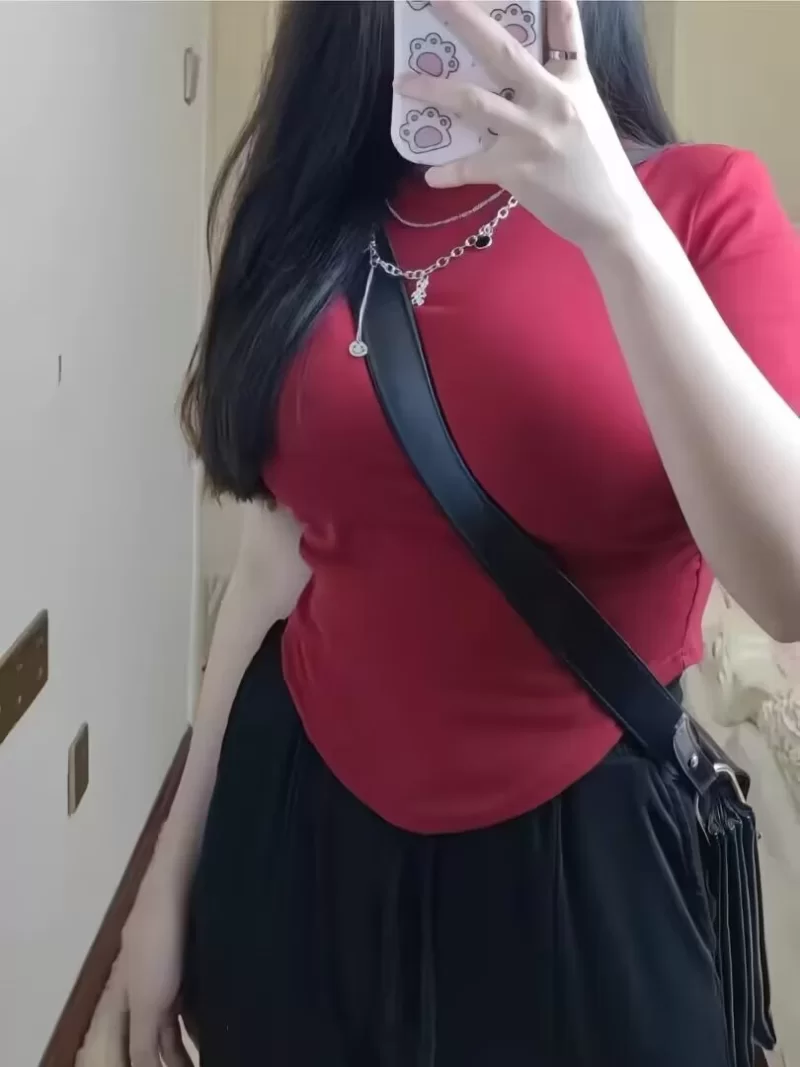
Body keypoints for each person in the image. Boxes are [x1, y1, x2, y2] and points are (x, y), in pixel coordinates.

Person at [119, 1, 800, 1064]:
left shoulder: (703, 206)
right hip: (294, 833)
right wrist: (168, 871)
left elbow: (787, 585)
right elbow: (275, 559)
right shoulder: (315, 217)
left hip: (586, 874)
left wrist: (615, 225)